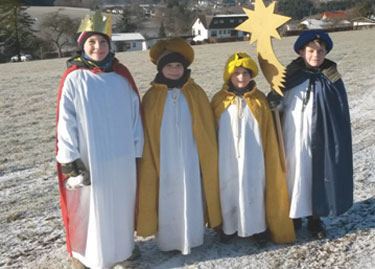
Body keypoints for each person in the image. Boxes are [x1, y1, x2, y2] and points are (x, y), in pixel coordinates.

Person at [55, 11, 144, 268]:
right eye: (92, 42)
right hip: (89, 154)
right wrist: (70, 158)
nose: (98, 47)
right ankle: (88, 255)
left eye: (103, 42)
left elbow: (134, 113)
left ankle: (123, 250)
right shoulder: (75, 78)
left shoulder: (120, 76)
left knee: (121, 202)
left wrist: (137, 148)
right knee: (90, 204)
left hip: (121, 155)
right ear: (83, 45)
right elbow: (66, 120)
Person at [136, 37, 222, 255]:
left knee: (191, 191)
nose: (174, 70)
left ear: (185, 68)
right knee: (167, 195)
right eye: (169, 66)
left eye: (178, 66)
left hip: (191, 156)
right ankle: (168, 240)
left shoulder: (196, 93)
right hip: (164, 158)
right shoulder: (152, 97)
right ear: (160, 68)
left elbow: (206, 128)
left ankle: (193, 236)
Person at [268, 30, 353, 239]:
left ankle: (315, 219)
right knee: (295, 173)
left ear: (325, 53)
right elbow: (277, 105)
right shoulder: (289, 75)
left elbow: (339, 109)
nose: (316, 55)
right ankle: (294, 215)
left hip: (321, 137)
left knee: (317, 174)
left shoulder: (331, 77)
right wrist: (273, 103)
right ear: (301, 51)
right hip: (293, 135)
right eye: (311, 51)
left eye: (321, 51)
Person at [211, 52, 295, 246]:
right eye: (236, 73)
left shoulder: (259, 100)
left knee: (255, 189)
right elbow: (211, 130)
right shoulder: (218, 100)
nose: (241, 77)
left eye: (245, 73)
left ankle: (257, 228)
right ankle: (229, 227)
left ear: (252, 75)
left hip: (254, 157)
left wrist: (277, 104)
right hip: (227, 157)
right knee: (228, 189)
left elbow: (271, 128)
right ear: (229, 75)